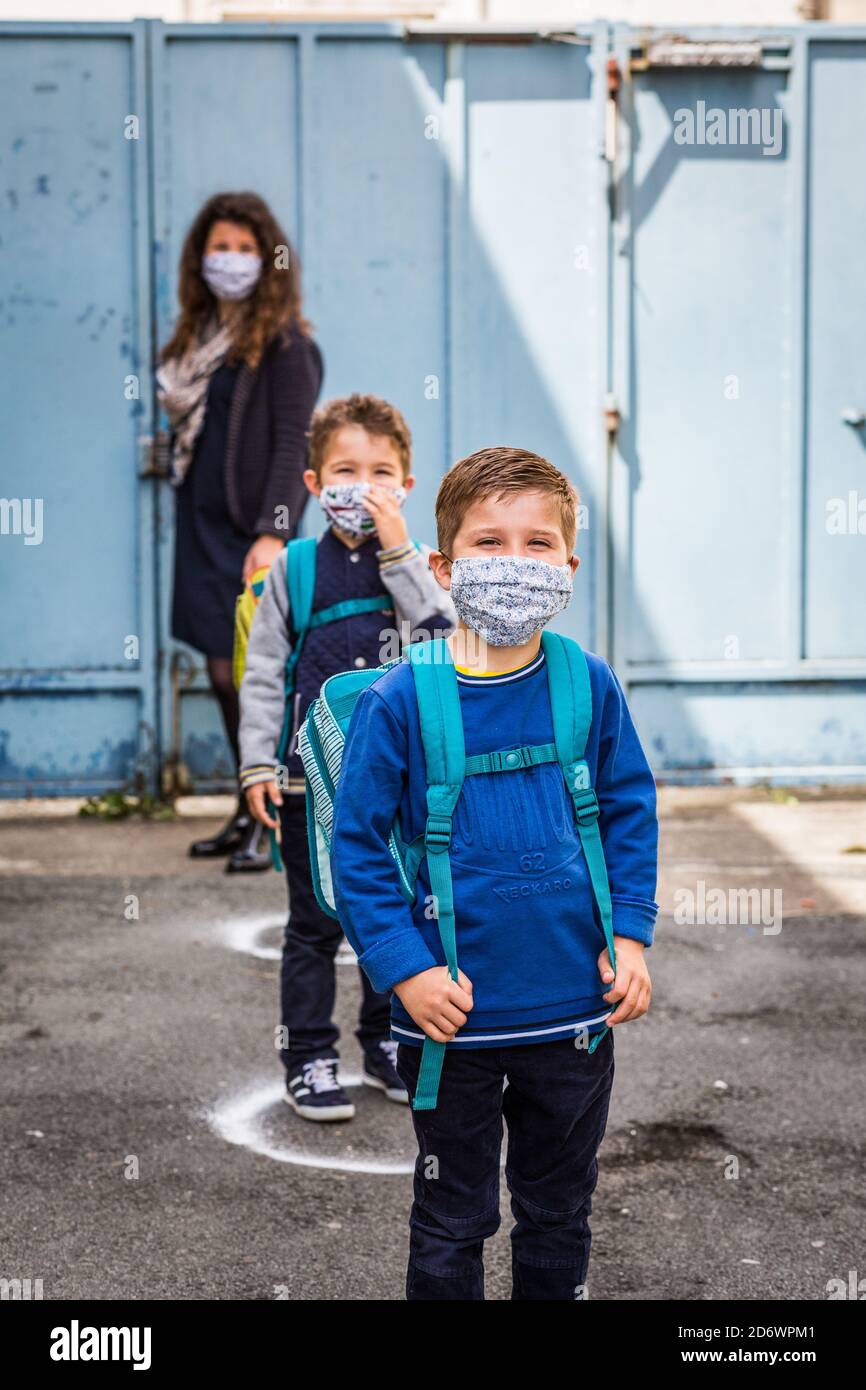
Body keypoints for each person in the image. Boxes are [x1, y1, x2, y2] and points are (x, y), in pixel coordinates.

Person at [330, 446, 659, 1300]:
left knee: (559, 1213)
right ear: (442, 566)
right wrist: (405, 973)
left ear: (570, 566)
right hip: (452, 1029)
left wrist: (631, 936)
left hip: (574, 1019)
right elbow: (358, 852)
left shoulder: (588, 686)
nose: (514, 562)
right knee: (452, 1221)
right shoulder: (398, 701)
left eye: (537, 544)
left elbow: (627, 813)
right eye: (488, 542)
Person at [238, 394, 456, 1120]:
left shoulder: (418, 566)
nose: (363, 486)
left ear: (407, 485)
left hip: (396, 785)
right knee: (314, 923)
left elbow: (443, 636)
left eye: (382, 471)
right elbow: (265, 672)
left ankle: (384, 1040)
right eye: (345, 470)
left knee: (389, 914)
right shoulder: (295, 569)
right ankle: (309, 1054)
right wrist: (258, 765)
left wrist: (399, 551)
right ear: (312, 483)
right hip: (310, 784)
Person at [157, 191, 323, 870]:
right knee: (216, 668)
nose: (231, 261)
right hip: (200, 529)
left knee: (251, 675)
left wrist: (273, 532)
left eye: (246, 249)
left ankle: (272, 815)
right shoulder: (197, 342)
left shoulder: (288, 347)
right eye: (220, 248)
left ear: (269, 260)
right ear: (201, 259)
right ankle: (242, 807)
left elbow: (295, 445)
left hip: (250, 534)